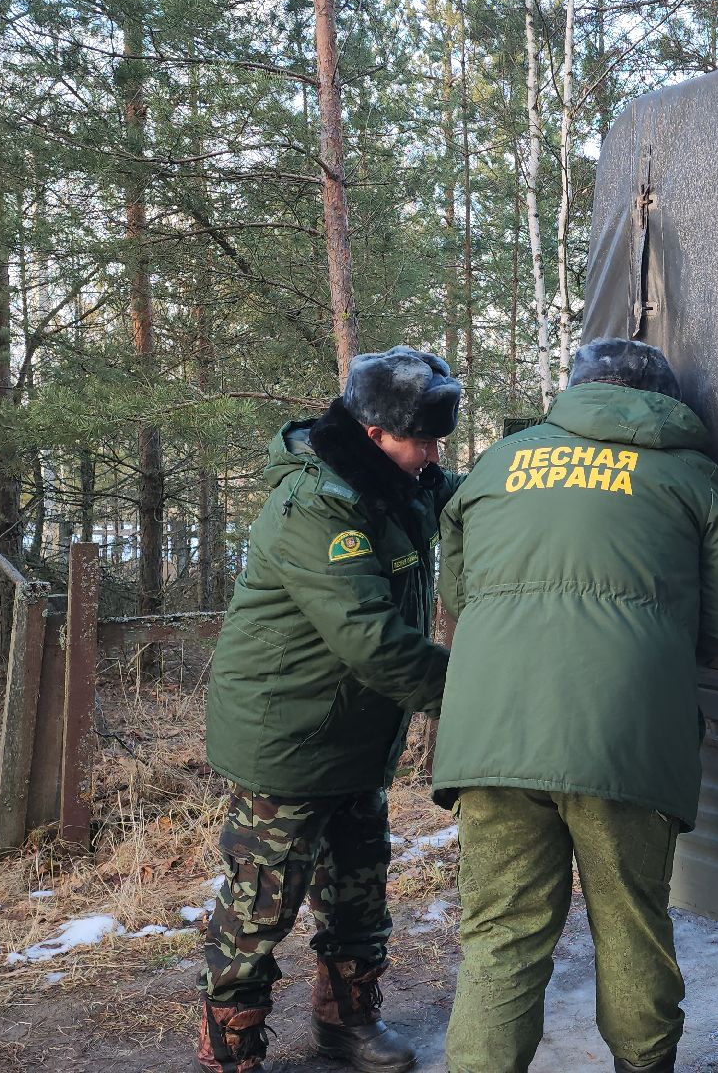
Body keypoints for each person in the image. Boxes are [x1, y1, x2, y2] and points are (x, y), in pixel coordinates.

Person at [432, 338, 718, 1073]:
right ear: (663, 400)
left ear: (578, 390)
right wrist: (666, 636)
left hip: (492, 732)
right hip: (624, 735)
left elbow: (458, 589)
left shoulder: (500, 460)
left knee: (500, 937)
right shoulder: (687, 472)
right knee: (629, 926)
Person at [198, 347, 464, 1073]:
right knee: (261, 907)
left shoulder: (401, 480)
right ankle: (231, 1048)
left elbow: (476, 496)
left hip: (354, 733)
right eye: (423, 440)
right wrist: (480, 698)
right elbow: (373, 641)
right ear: (375, 434)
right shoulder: (318, 503)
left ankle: (347, 1022)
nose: (434, 455)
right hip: (288, 738)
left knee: (358, 889)